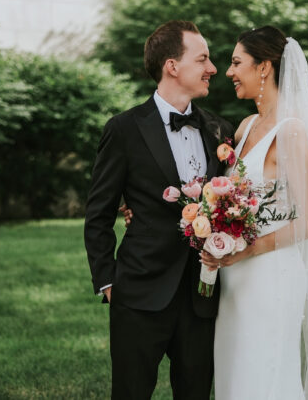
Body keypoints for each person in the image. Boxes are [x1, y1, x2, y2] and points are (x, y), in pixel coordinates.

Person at [84, 20, 234, 400]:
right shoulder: (125, 129)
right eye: (202, 58)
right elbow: (99, 213)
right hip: (139, 290)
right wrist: (108, 282)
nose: (212, 68)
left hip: (202, 294)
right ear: (172, 66)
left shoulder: (218, 131)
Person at [202, 26, 308, 399]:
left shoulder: (291, 131)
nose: (229, 71)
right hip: (234, 278)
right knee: (234, 373)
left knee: (265, 373)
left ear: (264, 67)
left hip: (270, 276)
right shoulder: (244, 127)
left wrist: (249, 249)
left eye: (237, 63)